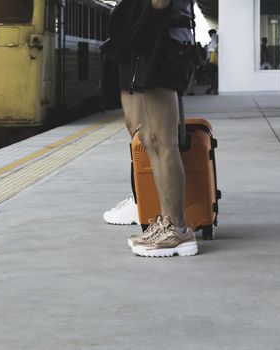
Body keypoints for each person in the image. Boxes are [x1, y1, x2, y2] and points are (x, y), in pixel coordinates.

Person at [104, 0, 198, 257]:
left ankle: (176, 228)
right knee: (150, 136)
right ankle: (167, 222)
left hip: (161, 42)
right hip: (154, 40)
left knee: (162, 139)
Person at [205, 29, 218, 95]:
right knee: (213, 76)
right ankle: (213, 88)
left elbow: (212, 49)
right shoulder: (214, 40)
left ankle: (213, 89)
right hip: (212, 60)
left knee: (213, 76)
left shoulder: (214, 39)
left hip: (212, 61)